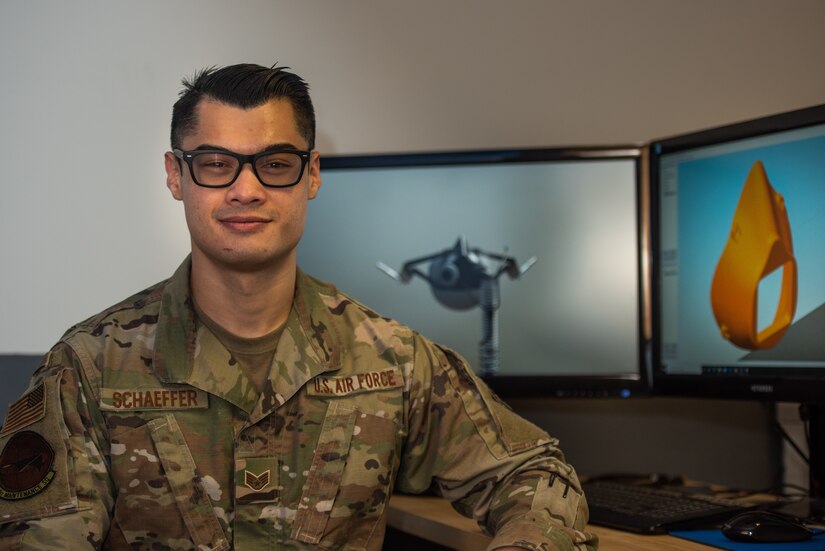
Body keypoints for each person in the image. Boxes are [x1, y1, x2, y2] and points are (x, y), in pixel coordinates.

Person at [0, 63, 596, 551]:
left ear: (311, 175)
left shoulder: (391, 359)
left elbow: (534, 475)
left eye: (276, 163)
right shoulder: (91, 366)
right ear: (175, 176)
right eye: (215, 163)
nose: (246, 188)